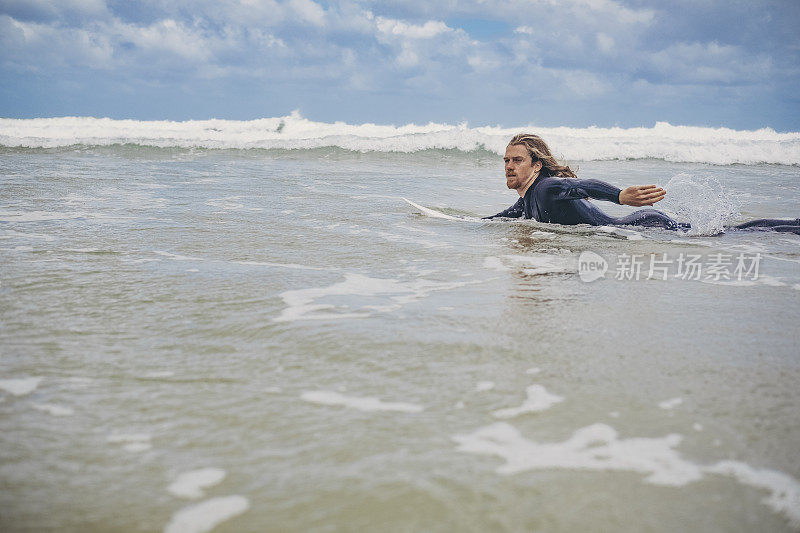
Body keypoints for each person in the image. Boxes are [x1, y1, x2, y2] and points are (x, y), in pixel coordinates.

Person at [485, 133, 800, 234]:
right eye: (506, 161)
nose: (509, 166)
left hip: (644, 226)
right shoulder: (526, 201)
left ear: (536, 165)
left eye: (517, 160)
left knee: (733, 234)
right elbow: (494, 221)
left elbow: (584, 186)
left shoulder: (547, 187)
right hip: (637, 228)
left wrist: (620, 195)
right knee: (730, 233)